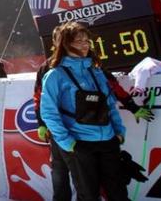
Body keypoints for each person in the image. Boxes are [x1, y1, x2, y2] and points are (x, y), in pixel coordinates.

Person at [40, 22, 128, 201]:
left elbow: (109, 104)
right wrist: (68, 143)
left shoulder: (96, 71)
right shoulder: (55, 75)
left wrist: (119, 132)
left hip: (108, 141)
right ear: (66, 44)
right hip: (79, 144)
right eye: (79, 41)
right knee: (88, 195)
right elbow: (49, 112)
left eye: (87, 40)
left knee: (118, 193)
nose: (85, 44)